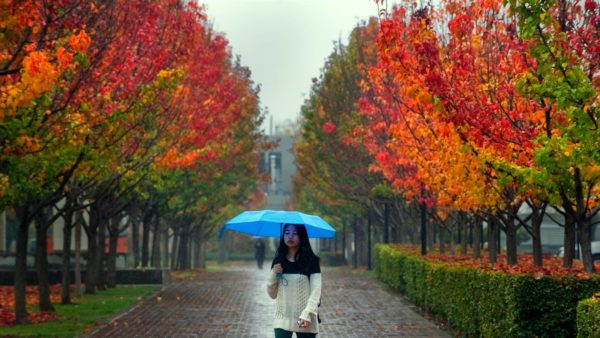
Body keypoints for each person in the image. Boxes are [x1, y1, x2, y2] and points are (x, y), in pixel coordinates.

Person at [267, 224, 321, 338]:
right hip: (282, 318)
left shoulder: (311, 261)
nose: (290, 236)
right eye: (287, 233)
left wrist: (307, 313)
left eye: (294, 233)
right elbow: (272, 294)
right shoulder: (278, 261)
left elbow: (316, 291)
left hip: (305, 318)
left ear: (302, 236)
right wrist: (273, 274)